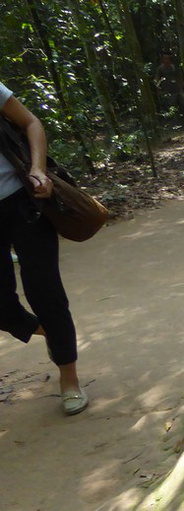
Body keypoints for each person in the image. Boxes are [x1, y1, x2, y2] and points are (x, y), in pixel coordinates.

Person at [0, 81, 88, 415]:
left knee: (45, 292)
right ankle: (51, 331)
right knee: (2, 307)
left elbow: (31, 122)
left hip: (24, 201)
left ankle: (69, 378)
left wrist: (37, 169)